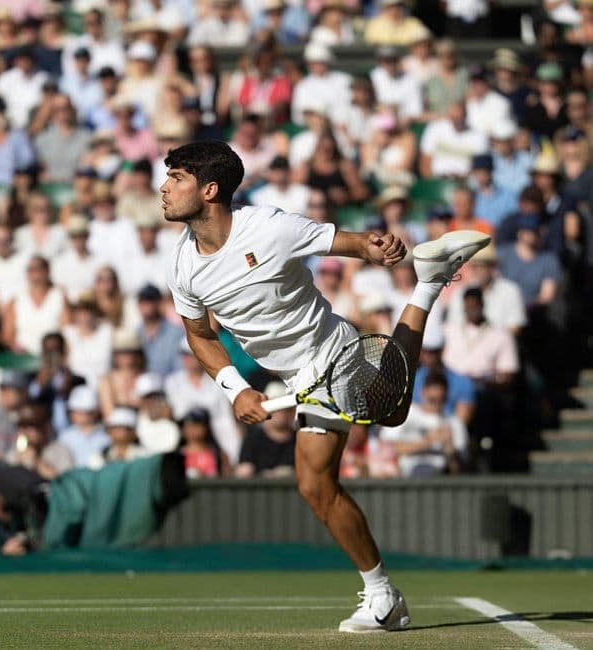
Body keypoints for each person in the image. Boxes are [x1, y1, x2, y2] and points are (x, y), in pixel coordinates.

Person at [162, 140, 490, 632]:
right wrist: (235, 388)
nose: (163, 188)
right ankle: (384, 597)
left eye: (177, 178)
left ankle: (427, 282)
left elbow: (355, 243)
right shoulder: (183, 264)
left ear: (209, 190)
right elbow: (199, 333)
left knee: (382, 416)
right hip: (291, 376)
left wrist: (380, 248)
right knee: (319, 483)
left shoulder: (270, 227)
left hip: (332, 352)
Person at [378, 372, 468, 476]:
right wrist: (427, 441)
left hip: (441, 476)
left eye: (441, 400)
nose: (437, 404)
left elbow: (460, 468)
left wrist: (450, 448)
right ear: (422, 393)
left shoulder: (454, 423)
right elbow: (386, 449)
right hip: (405, 475)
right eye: (432, 400)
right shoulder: (406, 414)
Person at [235, 382, 297, 478]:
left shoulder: (300, 439)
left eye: (287, 408)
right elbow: (244, 471)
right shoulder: (253, 439)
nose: (281, 412)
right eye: (276, 408)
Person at [178, 407, 230, 478]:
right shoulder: (176, 455)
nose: (191, 428)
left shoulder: (218, 454)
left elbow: (227, 479)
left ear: (206, 427)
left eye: (196, 425)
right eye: (187, 425)